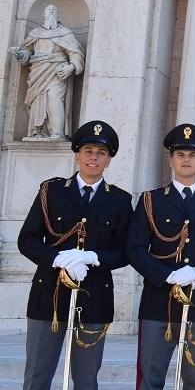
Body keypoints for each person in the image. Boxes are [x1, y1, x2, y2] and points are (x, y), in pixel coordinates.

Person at [17, 120, 132, 390]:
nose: (94, 157)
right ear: (78, 154)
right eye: (89, 151)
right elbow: (27, 240)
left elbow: (125, 252)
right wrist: (57, 259)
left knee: (86, 379)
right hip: (49, 297)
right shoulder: (51, 191)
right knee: (36, 376)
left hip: (94, 298)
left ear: (109, 160)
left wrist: (92, 258)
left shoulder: (119, 200)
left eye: (101, 153)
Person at [127, 123, 195, 390]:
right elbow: (135, 249)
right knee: (150, 379)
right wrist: (167, 275)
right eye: (180, 155)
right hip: (157, 304)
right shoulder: (150, 200)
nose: (186, 160)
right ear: (171, 159)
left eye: (192, 155)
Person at [8, 4, 86, 139]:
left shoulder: (64, 32)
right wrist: (21, 54)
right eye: (48, 10)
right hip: (38, 71)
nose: (51, 12)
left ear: (57, 15)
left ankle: (57, 133)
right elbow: (27, 52)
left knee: (54, 98)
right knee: (38, 100)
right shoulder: (36, 33)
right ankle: (38, 131)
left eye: (53, 11)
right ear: (44, 14)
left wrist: (71, 67)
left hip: (57, 71)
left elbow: (75, 52)